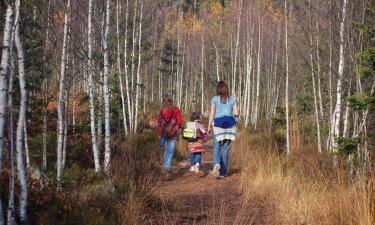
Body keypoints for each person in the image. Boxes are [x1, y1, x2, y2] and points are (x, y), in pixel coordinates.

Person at [207, 81, 238, 179]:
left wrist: (208, 125)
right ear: (227, 89)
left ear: (218, 89)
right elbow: (236, 113)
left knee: (216, 146)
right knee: (225, 149)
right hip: (229, 127)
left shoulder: (215, 99)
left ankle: (216, 164)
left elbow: (212, 113)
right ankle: (223, 173)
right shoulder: (233, 99)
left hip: (218, 127)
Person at [157, 94, 183, 172]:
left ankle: (165, 166)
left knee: (166, 149)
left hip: (164, 133)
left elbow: (158, 122)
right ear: (171, 101)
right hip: (173, 132)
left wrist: (160, 131)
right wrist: (177, 127)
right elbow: (180, 121)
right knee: (170, 150)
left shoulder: (161, 110)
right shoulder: (175, 109)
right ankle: (167, 166)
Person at [187, 112, 207, 177]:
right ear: (198, 118)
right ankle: (197, 164)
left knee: (192, 153)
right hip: (198, 142)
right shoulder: (200, 124)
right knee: (198, 154)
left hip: (191, 143)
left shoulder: (189, 124)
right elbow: (204, 132)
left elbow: (186, 134)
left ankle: (193, 165)